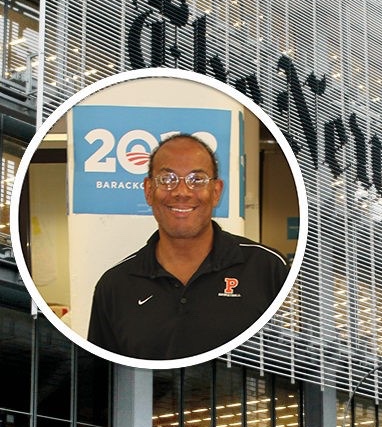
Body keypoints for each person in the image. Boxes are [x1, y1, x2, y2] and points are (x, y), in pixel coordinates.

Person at [87, 133, 289, 360]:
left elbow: (297, 363)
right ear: (148, 190)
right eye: (167, 179)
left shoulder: (267, 268)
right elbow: (99, 375)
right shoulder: (115, 286)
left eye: (197, 180)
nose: (181, 192)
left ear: (216, 192)